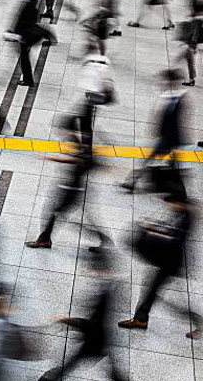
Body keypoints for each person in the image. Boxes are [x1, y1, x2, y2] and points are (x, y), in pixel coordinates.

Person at [26, 50, 114, 250]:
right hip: (74, 185)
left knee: (59, 212)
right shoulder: (82, 138)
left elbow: (78, 160)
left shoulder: (81, 143)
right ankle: (100, 240)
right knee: (69, 214)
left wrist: (53, 159)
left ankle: (46, 239)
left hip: (73, 187)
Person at [118, 190, 200, 338]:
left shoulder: (186, 218)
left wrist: (153, 235)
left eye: (172, 205)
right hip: (168, 261)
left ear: (179, 204)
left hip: (172, 263)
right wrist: (155, 229)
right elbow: (171, 231)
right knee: (152, 290)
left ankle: (200, 324)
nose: (170, 208)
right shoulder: (183, 213)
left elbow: (175, 241)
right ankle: (140, 319)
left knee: (171, 301)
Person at [38, 249, 125, 380]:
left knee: (76, 360)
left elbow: (91, 324)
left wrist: (66, 320)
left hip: (95, 339)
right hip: (100, 337)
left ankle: (52, 378)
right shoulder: (106, 288)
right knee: (102, 361)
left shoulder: (104, 293)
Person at [121, 69, 187, 192]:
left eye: (166, 80)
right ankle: (179, 191)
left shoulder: (174, 97)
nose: (163, 83)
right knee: (172, 166)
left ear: (171, 81)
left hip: (169, 139)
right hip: (172, 138)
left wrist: (157, 130)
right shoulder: (175, 96)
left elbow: (170, 118)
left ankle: (132, 182)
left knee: (151, 160)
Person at [12, 0, 56, 87]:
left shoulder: (28, 3)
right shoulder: (29, 2)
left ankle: (28, 80)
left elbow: (26, 22)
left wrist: (20, 35)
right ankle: (28, 79)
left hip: (25, 36)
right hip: (25, 34)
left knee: (24, 58)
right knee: (24, 57)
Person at [174, 0, 203, 86]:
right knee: (189, 60)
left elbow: (195, 34)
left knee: (188, 60)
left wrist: (193, 46)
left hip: (192, 44)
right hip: (193, 44)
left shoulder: (197, 20)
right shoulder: (197, 19)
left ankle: (191, 79)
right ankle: (191, 78)